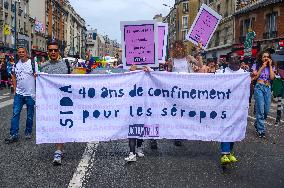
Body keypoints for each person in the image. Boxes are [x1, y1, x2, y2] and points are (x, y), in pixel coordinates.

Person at [40, 40, 71, 165]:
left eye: (55, 50)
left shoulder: (66, 64)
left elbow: (75, 81)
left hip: (63, 102)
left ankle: (58, 150)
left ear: (59, 51)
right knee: (53, 126)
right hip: (49, 103)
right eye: (51, 50)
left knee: (61, 126)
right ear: (48, 51)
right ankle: (59, 148)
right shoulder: (43, 66)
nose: (53, 52)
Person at [4, 47, 38, 143]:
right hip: (19, 94)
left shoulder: (32, 63)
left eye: (23, 52)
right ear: (18, 54)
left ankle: (28, 131)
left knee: (30, 115)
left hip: (30, 94)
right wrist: (15, 89)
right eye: (19, 52)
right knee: (15, 114)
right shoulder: (16, 64)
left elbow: (37, 76)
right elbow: (13, 76)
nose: (21, 53)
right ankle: (13, 134)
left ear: (26, 53)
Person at [216, 52, 244, 165]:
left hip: (238, 107)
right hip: (224, 106)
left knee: (235, 129)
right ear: (227, 61)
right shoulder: (221, 73)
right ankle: (224, 153)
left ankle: (230, 152)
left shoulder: (244, 74)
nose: (235, 60)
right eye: (232, 58)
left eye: (237, 58)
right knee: (226, 128)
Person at [124, 65, 151, 162]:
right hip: (131, 107)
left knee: (140, 129)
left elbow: (154, 79)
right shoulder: (130, 74)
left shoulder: (147, 74)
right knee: (132, 130)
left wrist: (149, 70)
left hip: (142, 106)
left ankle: (139, 148)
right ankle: (132, 153)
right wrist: (131, 71)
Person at [251, 51, 275, 138]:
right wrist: (263, 67)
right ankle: (261, 131)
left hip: (268, 88)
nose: (266, 58)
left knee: (266, 110)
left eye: (267, 57)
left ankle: (257, 123)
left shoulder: (272, 67)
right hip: (259, 88)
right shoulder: (256, 65)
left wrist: (270, 66)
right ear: (261, 58)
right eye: (264, 56)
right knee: (260, 110)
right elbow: (255, 76)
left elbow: (272, 78)